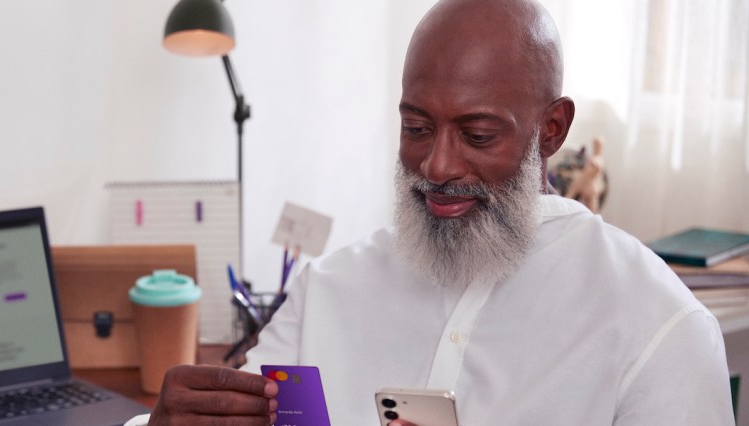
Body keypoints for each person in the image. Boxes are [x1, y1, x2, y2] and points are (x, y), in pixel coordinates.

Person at [127, 0, 734, 424]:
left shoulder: (660, 328)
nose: (437, 166)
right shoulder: (331, 289)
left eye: (476, 135)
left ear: (551, 130)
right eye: (416, 127)